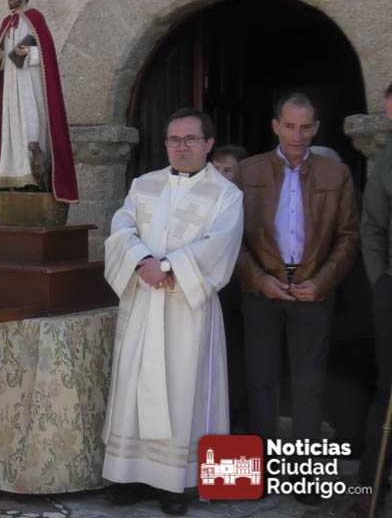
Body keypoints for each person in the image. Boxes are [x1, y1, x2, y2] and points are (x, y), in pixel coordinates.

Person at [102, 109, 243, 516]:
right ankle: (129, 475)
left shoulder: (225, 194)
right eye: (174, 140)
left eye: (190, 139)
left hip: (187, 311)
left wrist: (165, 267)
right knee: (134, 387)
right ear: (165, 144)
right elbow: (121, 228)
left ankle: (177, 483)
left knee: (183, 390)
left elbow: (219, 245)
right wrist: (141, 260)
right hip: (143, 303)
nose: (181, 147)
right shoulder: (144, 184)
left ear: (208, 143)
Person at [236, 92, 359, 506]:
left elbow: (348, 236)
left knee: (309, 386)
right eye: (289, 126)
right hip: (261, 290)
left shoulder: (336, 173)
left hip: (312, 291)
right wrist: (259, 279)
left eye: (306, 127)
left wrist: (322, 282)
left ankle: (305, 477)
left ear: (317, 128)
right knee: (260, 382)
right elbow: (230, 237)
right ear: (275, 126)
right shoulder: (248, 171)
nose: (297, 135)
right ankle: (254, 476)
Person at [0, 0, 78, 207]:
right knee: (13, 129)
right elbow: (8, 59)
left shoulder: (35, 18)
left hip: (30, 84)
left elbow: (44, 54)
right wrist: (1, 59)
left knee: (31, 125)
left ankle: (35, 177)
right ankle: (15, 178)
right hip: (11, 88)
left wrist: (23, 53)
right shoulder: (6, 23)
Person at [356, 81, 392, 515]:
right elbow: (372, 227)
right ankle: (371, 485)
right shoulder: (386, 161)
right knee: (388, 388)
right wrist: (381, 281)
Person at [210, 144, 249, 432]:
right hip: (207, 291)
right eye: (216, 168)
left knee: (233, 361)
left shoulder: (244, 202)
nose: (220, 175)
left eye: (228, 170)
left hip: (237, 291)